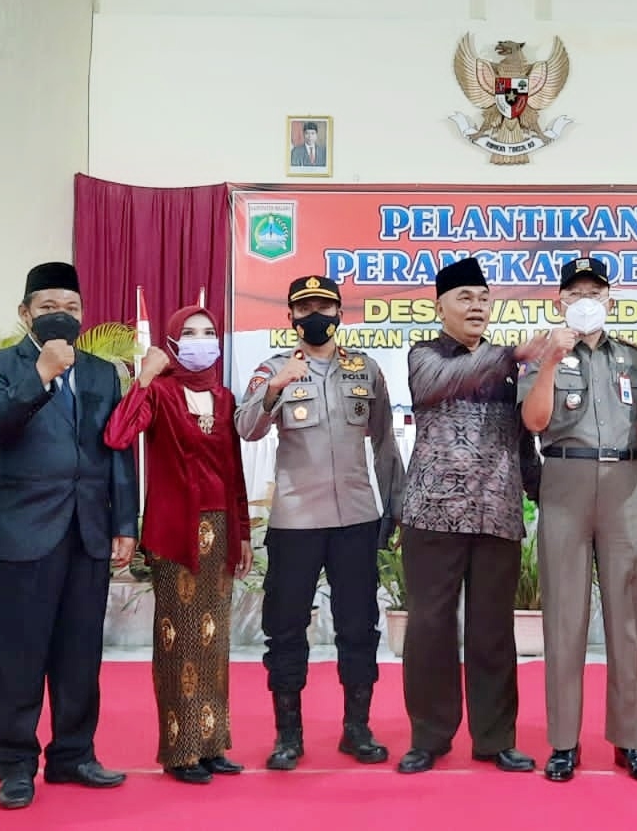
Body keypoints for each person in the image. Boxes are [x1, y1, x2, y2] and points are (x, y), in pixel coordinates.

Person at [0, 262, 138, 810]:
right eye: (48, 307)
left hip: (88, 530)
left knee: (80, 653)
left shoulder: (102, 372)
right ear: (25, 313)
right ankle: (14, 764)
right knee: (19, 655)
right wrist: (40, 374)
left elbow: (117, 448)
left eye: (70, 307)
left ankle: (73, 754)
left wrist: (124, 522)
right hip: (23, 532)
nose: (60, 315)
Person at [234, 275, 404, 771]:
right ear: (290, 316)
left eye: (324, 308)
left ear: (338, 314)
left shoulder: (365, 369)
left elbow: (385, 443)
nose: (315, 316)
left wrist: (394, 506)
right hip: (296, 521)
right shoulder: (273, 368)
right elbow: (246, 428)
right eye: (305, 308)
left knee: (359, 626)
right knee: (286, 628)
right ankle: (288, 735)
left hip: (356, 518)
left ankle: (358, 729)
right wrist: (276, 389)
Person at [395, 256, 548, 775]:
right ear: (439, 307)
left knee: (493, 633)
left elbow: (522, 438)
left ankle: (495, 738)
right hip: (432, 515)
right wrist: (511, 355)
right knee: (430, 629)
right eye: (465, 298)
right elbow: (436, 384)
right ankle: (429, 736)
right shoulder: (425, 355)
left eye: (483, 298)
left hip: (496, 514)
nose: (477, 306)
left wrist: (542, 491)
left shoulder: (510, 367)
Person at [520, 257, 637, 783]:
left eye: (594, 292)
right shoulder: (542, 353)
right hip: (564, 483)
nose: (586, 301)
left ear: (609, 299)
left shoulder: (632, 358)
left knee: (628, 617)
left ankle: (631, 740)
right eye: (576, 292)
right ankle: (564, 742)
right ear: (560, 301)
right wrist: (550, 362)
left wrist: (627, 476)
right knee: (564, 616)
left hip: (621, 483)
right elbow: (534, 420)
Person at [103, 305, 253, 784]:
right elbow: (117, 435)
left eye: (208, 332)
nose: (200, 340)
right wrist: (145, 377)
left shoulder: (225, 398)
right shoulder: (162, 393)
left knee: (215, 640)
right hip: (174, 532)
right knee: (180, 641)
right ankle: (180, 750)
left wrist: (243, 532)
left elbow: (234, 472)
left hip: (220, 530)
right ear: (171, 342)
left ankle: (211, 743)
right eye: (189, 332)